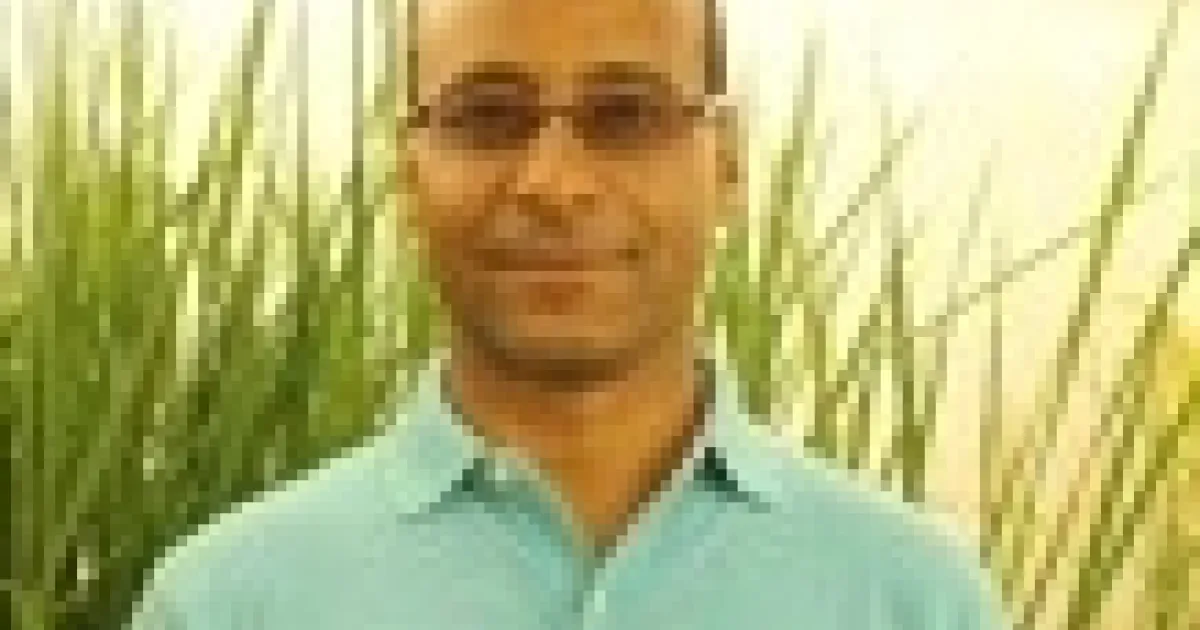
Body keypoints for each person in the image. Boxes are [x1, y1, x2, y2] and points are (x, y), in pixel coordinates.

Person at [129, 0, 1011, 627]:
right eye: (489, 116)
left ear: (728, 164)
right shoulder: (228, 603)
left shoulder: (915, 600)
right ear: (408, 173)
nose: (555, 184)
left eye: (625, 114)